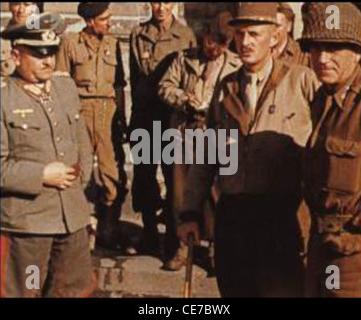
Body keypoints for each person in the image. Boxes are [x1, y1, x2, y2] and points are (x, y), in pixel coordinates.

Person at [177, 2, 320, 297]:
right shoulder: (226, 87)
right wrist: (189, 212)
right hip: (233, 220)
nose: (245, 42)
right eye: (240, 34)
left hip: (281, 219)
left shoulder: (302, 82)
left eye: (254, 34)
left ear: (275, 35)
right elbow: (207, 157)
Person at [0, 12, 96, 297]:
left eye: (52, 52)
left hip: (72, 221)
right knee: (27, 291)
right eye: (39, 54)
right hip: (29, 228)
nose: (49, 61)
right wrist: (41, 175)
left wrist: (82, 188)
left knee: (74, 291)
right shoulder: (5, 98)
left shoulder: (65, 87)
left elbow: (82, 142)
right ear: (16, 55)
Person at [158, 11, 241, 271]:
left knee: (217, 195)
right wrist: (184, 99)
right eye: (211, 42)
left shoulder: (236, 65)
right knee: (181, 195)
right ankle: (184, 247)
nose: (215, 49)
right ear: (204, 36)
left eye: (222, 44)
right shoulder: (184, 59)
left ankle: (216, 249)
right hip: (184, 135)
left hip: (217, 137)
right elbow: (164, 87)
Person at [300, 2, 361, 298]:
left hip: (358, 258)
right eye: (315, 48)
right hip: (322, 249)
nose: (322, 58)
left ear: (357, 51)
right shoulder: (321, 99)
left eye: (333, 48)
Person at [56, 2, 128, 250]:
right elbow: (60, 83)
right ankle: (79, 231)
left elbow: (119, 86)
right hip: (80, 111)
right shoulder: (69, 44)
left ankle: (110, 228)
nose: (110, 23)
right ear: (89, 21)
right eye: (104, 19)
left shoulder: (113, 44)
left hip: (108, 113)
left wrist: (122, 117)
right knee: (79, 172)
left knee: (112, 173)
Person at [129, 2, 196, 257]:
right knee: (144, 176)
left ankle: (172, 239)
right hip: (146, 117)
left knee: (173, 178)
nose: (161, 7)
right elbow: (135, 78)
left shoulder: (186, 35)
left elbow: (190, 75)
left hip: (171, 118)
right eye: (156, 2)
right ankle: (148, 232)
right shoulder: (138, 33)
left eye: (166, 2)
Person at [1, 2, 44, 77]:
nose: (21, 10)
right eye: (16, 4)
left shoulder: (50, 39)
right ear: (10, 6)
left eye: (27, 5)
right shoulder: (2, 41)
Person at [272, 2, 310, 67]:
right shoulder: (258, 51)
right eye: (269, 25)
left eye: (277, 26)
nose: (272, 30)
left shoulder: (303, 55)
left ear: (289, 26)